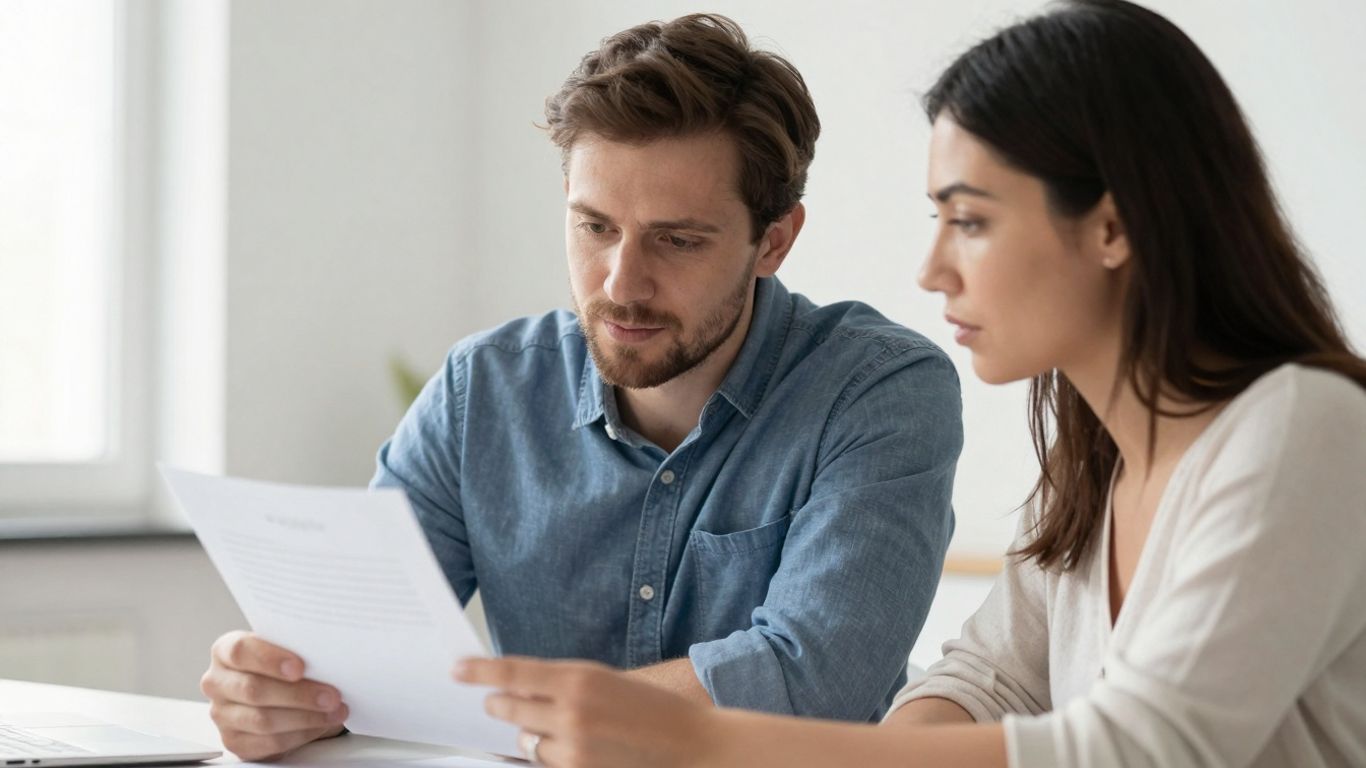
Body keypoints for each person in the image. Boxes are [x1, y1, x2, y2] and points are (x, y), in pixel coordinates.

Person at [456, 1, 1366, 766]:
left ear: (1114, 229)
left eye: (969, 221)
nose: (931, 270)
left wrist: (711, 739)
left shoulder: (1304, 428)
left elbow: (1140, 746)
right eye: (937, 218)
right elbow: (988, 679)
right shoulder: (1100, 461)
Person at [198, 13, 963, 762]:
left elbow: (814, 680)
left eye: (677, 240)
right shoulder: (484, 391)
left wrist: (532, 726)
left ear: (775, 240)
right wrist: (284, 697)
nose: (622, 283)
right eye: (595, 227)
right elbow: (358, 649)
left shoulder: (879, 392)